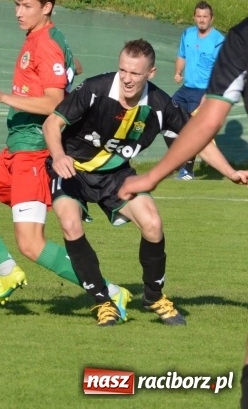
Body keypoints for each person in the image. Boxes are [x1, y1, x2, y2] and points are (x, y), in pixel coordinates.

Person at [0, 0, 126, 310]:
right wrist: (68, 69)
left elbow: (55, 103)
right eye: (17, 4)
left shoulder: (45, 43)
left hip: (33, 153)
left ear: (47, 6)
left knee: (31, 244)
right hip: (14, 151)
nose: (19, 12)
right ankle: (6, 270)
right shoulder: (43, 38)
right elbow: (67, 70)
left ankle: (110, 292)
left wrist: (2, 96)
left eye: (27, 6)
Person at [43, 39, 248, 326]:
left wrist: (230, 172)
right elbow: (52, 123)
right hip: (71, 169)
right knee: (69, 223)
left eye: (135, 73)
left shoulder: (161, 104)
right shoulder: (95, 88)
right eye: (123, 70)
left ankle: (153, 296)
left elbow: (198, 138)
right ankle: (103, 302)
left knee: (152, 223)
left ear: (150, 73)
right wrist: (58, 155)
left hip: (116, 175)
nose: (126, 78)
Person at [119, 0, 248, 200]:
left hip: (203, 92)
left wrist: (152, 177)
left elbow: (207, 123)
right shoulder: (220, 39)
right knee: (172, 119)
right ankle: (186, 166)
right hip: (188, 89)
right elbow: (202, 123)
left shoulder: (236, 40)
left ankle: (184, 166)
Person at [165, 1, 225, 180]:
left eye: (205, 17)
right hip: (185, 90)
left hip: (204, 92)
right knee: (166, 121)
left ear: (211, 18)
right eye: (198, 16)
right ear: (194, 17)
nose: (202, 20)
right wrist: (178, 71)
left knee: (189, 130)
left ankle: (187, 170)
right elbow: (182, 55)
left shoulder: (219, 41)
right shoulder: (188, 34)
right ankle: (180, 161)